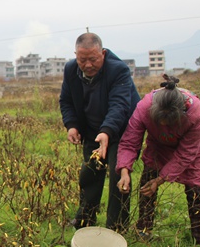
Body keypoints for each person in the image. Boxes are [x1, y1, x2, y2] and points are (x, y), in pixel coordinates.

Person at [116, 75, 200, 247]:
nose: (165, 124)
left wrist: (161, 180)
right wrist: (124, 171)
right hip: (158, 144)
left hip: (193, 148)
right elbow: (130, 141)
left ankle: (199, 243)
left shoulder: (196, 112)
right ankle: (144, 230)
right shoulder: (144, 107)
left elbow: (186, 153)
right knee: (147, 182)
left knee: (195, 189)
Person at [59, 32, 140, 232]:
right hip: (93, 130)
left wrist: (107, 131)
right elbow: (66, 101)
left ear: (103, 54)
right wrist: (71, 125)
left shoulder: (118, 70)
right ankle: (85, 221)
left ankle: (117, 227)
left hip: (121, 130)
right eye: (82, 60)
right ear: (75, 56)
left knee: (117, 177)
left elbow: (119, 105)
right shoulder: (70, 70)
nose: (88, 65)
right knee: (90, 174)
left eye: (93, 59)